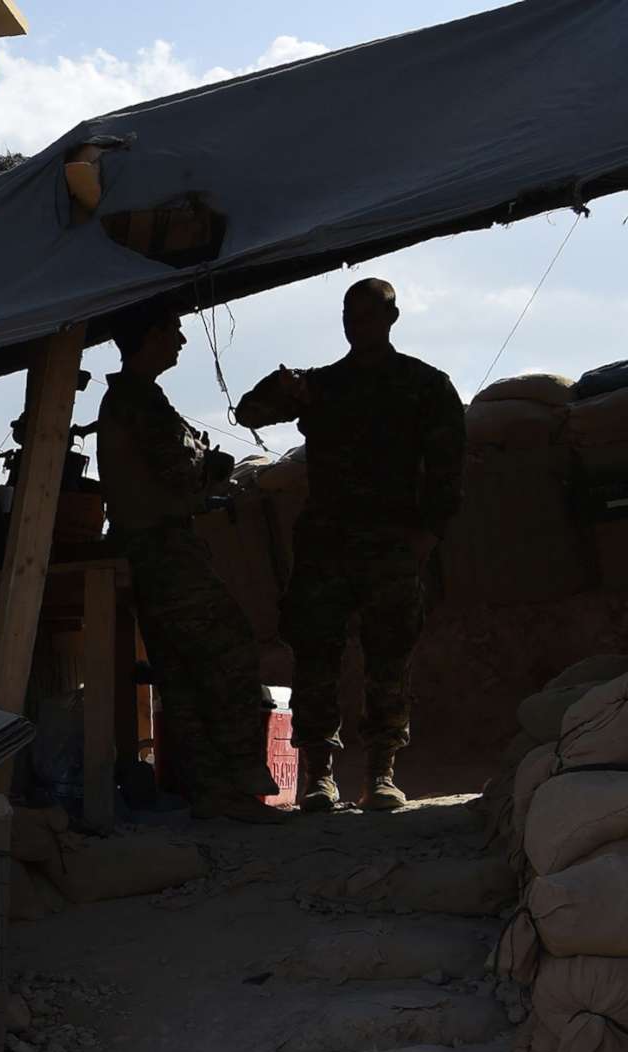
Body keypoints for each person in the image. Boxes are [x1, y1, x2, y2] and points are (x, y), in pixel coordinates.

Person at [236, 279, 466, 812]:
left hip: (392, 545)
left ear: (391, 318)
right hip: (326, 546)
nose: (356, 326)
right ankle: (319, 775)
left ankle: (381, 773)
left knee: (389, 660)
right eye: (348, 316)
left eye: (366, 316)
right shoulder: (324, 385)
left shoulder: (424, 385)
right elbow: (249, 413)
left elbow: (448, 472)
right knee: (316, 658)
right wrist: (282, 388)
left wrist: (425, 539)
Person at [94, 305, 285, 822]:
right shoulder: (138, 402)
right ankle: (237, 783)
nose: (180, 339)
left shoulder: (131, 399)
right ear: (148, 336)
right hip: (165, 550)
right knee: (227, 655)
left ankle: (212, 793)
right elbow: (182, 475)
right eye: (171, 328)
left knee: (181, 673)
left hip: (150, 550)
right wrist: (215, 469)